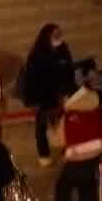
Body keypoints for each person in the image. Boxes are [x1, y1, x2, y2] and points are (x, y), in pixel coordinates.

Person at [50, 63, 102, 201]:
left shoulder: (68, 116)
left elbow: (58, 141)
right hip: (94, 157)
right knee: (88, 187)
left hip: (74, 159)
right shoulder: (93, 110)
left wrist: (52, 129)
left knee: (63, 189)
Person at [20, 23, 75, 166]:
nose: (59, 36)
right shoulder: (37, 54)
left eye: (59, 33)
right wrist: (35, 100)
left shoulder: (63, 49)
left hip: (61, 94)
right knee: (42, 126)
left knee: (65, 123)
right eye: (55, 34)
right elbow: (31, 79)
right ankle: (44, 154)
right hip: (43, 96)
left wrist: (68, 91)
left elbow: (69, 70)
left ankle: (66, 150)